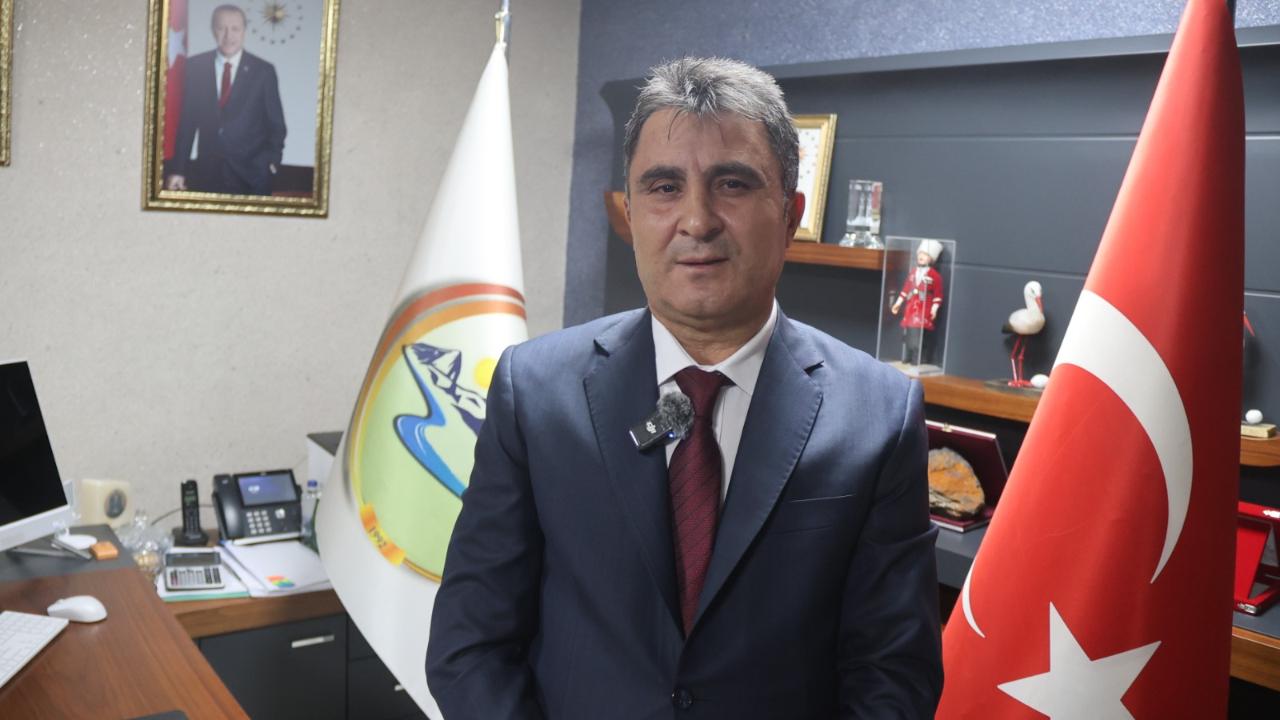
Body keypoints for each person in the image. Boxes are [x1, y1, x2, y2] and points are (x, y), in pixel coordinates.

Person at [426, 57, 942, 719]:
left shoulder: (879, 415)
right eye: (664, 187)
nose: (697, 220)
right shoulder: (534, 393)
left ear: (789, 215)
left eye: (732, 184)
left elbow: (892, 673)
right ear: (629, 214)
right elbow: (470, 643)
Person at [164, 4, 286, 196]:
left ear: (244, 31)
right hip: (207, 174)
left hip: (252, 177)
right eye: (222, 28)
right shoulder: (195, 67)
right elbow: (187, 123)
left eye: (235, 29)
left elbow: (276, 125)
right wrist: (178, 169)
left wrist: (270, 163)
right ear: (213, 30)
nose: (229, 36)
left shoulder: (263, 71)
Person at [890, 239, 945, 366]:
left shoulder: (934, 276)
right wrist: (898, 303)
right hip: (911, 308)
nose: (921, 256)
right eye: (920, 253)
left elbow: (938, 295)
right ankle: (908, 354)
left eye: (925, 255)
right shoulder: (913, 272)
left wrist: (934, 309)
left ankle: (918, 356)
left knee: (920, 335)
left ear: (931, 258)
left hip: (924, 309)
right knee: (909, 333)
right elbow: (905, 289)